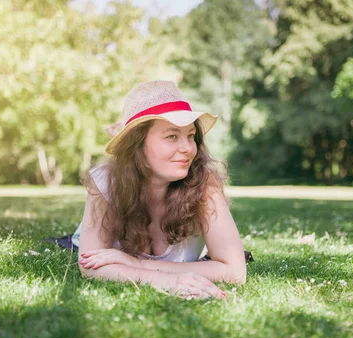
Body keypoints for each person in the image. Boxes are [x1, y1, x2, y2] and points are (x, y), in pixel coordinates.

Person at [58, 80, 246, 299]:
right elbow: (90, 266)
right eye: (172, 136)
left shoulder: (204, 184)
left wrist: (135, 264)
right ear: (137, 145)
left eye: (190, 136)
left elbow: (235, 272)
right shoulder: (106, 182)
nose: (187, 148)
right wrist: (168, 281)